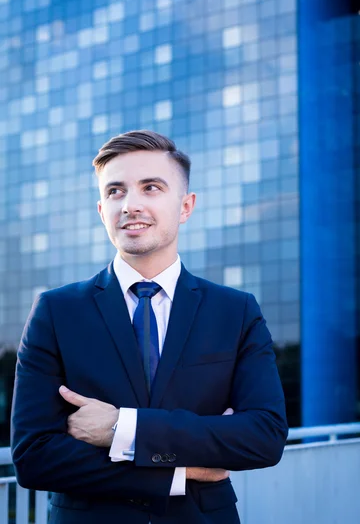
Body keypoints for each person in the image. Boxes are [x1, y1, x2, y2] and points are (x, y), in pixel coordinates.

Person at [11, 130, 288, 524]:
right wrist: (180, 471)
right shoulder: (56, 311)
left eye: (151, 187)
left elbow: (264, 437)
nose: (131, 205)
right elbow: (33, 456)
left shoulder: (236, 311)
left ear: (186, 206)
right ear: (101, 209)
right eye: (116, 191)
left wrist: (123, 428)